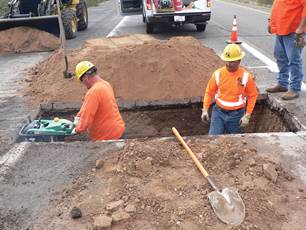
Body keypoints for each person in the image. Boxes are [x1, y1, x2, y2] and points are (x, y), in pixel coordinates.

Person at [201, 44, 258, 135]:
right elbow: (209, 92)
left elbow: (253, 95)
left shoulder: (245, 76)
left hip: (237, 115)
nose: (228, 64)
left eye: (232, 61)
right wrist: (205, 110)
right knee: (213, 139)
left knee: (236, 142)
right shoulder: (218, 74)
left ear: (239, 61)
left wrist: (247, 115)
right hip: (219, 112)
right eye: (227, 61)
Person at [72, 61, 125, 141]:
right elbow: (87, 106)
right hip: (117, 130)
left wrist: (77, 129)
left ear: (85, 77)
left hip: (108, 136)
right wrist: (79, 115)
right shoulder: (105, 84)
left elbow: (87, 117)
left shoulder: (93, 92)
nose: (84, 84)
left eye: (82, 81)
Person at [266, 0, 306, 100]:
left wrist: (301, 28)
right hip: (280, 28)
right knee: (280, 56)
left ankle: (294, 88)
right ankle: (282, 83)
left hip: (293, 31)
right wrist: (271, 21)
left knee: (293, 60)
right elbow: (277, 4)